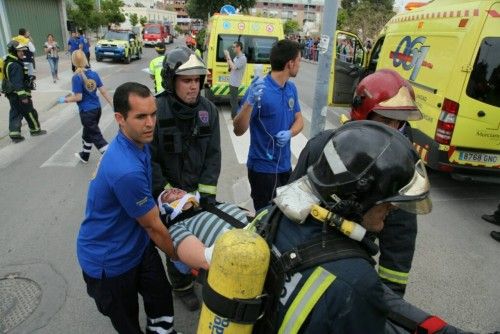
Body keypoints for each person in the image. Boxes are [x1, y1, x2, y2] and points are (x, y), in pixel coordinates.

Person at [259, 121, 433, 333]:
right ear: (357, 198)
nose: (393, 207)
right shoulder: (356, 282)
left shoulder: (271, 216)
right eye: (388, 200)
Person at [292, 69, 424, 296]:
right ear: (362, 113)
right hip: (302, 260)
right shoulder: (321, 147)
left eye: (399, 123)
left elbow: (399, 240)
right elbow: (290, 204)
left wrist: (388, 299)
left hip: (351, 268)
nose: (392, 130)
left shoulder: (397, 169)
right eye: (384, 120)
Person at [76, 82, 178, 334]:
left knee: (161, 296)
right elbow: (154, 228)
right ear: (120, 119)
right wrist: (180, 258)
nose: (150, 123)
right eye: (141, 116)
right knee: (128, 323)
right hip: (109, 262)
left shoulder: (137, 143)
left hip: (136, 243)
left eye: (153, 114)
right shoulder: (126, 169)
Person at [151, 46, 221, 311]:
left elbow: (213, 156)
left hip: (198, 192)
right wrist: (170, 194)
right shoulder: (156, 111)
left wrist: (207, 196)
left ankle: (197, 270)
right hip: (167, 194)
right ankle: (180, 286)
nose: (194, 87)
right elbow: (150, 160)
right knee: (174, 242)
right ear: (171, 81)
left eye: (197, 80)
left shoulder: (209, 111)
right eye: (186, 80)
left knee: (200, 236)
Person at [233, 39, 304, 211]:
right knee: (265, 220)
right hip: (263, 170)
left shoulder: (291, 88)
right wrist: (249, 103)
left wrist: (290, 133)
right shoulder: (259, 90)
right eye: (299, 61)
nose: (299, 65)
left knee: (283, 218)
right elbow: (238, 129)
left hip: (285, 167)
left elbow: (300, 120)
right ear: (290, 63)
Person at [157, 187, 249, 271]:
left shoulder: (214, 203)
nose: (173, 190)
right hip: (243, 261)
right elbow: (206, 260)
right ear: (163, 208)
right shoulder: (176, 227)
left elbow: (253, 217)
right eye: (166, 194)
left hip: (259, 234)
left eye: (173, 188)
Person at [57, 50, 113, 163]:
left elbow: (78, 97)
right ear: (85, 60)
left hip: (87, 112)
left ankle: (111, 158)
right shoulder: (94, 74)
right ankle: (84, 156)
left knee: (96, 136)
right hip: (97, 109)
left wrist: (64, 100)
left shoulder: (76, 77)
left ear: (73, 62)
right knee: (87, 133)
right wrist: (112, 104)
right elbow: (103, 91)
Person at [2, 40, 47, 143]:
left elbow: (12, 79)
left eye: (22, 50)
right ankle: (35, 130)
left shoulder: (8, 62)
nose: (22, 52)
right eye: (20, 51)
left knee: (15, 113)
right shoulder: (15, 65)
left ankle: (15, 135)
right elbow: (17, 82)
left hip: (12, 94)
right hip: (19, 94)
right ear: (14, 51)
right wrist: (23, 97)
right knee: (30, 112)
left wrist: (28, 78)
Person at [224, 41, 247, 119]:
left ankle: (235, 117)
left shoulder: (243, 58)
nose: (233, 48)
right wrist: (227, 58)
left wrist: (228, 56)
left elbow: (234, 67)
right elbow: (230, 68)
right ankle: (234, 116)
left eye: (234, 47)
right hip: (232, 81)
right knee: (232, 101)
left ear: (239, 48)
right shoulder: (236, 57)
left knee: (234, 101)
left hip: (235, 82)